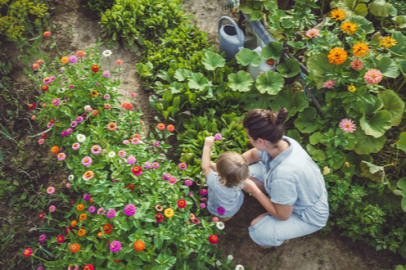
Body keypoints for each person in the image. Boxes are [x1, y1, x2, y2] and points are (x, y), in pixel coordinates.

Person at [241, 108, 329, 248]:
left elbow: (282, 215)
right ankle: (278, 204)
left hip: (309, 215)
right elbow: (252, 156)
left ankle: (282, 236)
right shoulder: (282, 143)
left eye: (249, 138)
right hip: (301, 192)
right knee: (243, 174)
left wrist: (254, 190)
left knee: (259, 231)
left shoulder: (284, 175)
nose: (249, 140)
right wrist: (232, 165)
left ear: (260, 141)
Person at [201, 136, 249, 222]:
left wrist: (207, 146)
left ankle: (216, 223)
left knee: (216, 219)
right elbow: (227, 174)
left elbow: (205, 168)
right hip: (232, 209)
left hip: (219, 211)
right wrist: (212, 165)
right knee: (225, 217)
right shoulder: (240, 180)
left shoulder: (215, 183)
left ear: (220, 173)